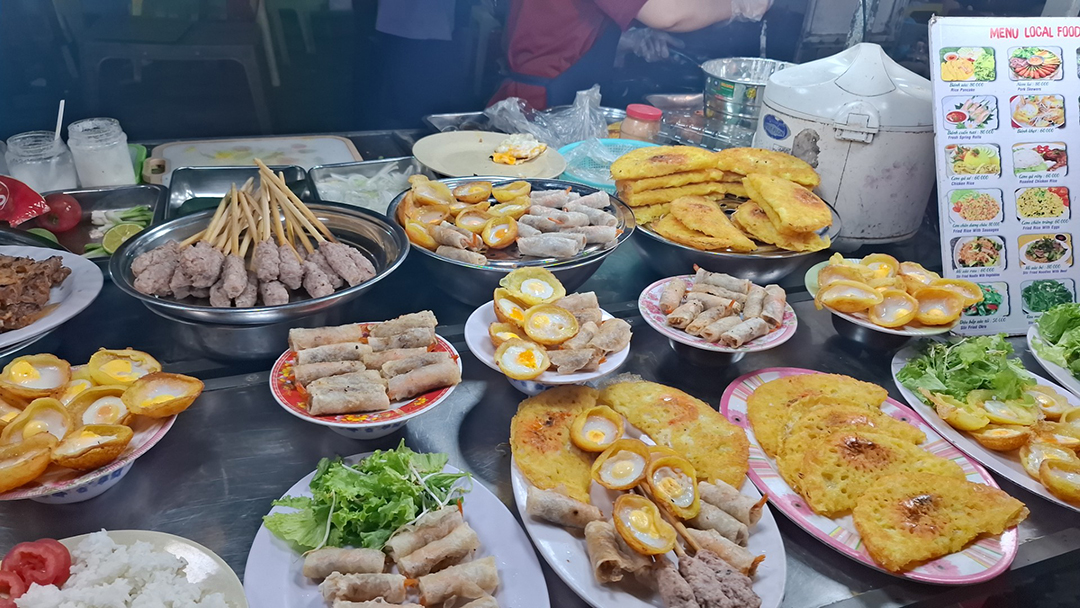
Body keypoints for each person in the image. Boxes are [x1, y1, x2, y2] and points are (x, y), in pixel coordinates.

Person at [489, 0, 772, 109]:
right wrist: (740, 5)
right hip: (540, 106)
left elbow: (565, 20)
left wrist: (629, 40)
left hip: (557, 94)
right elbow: (667, 14)